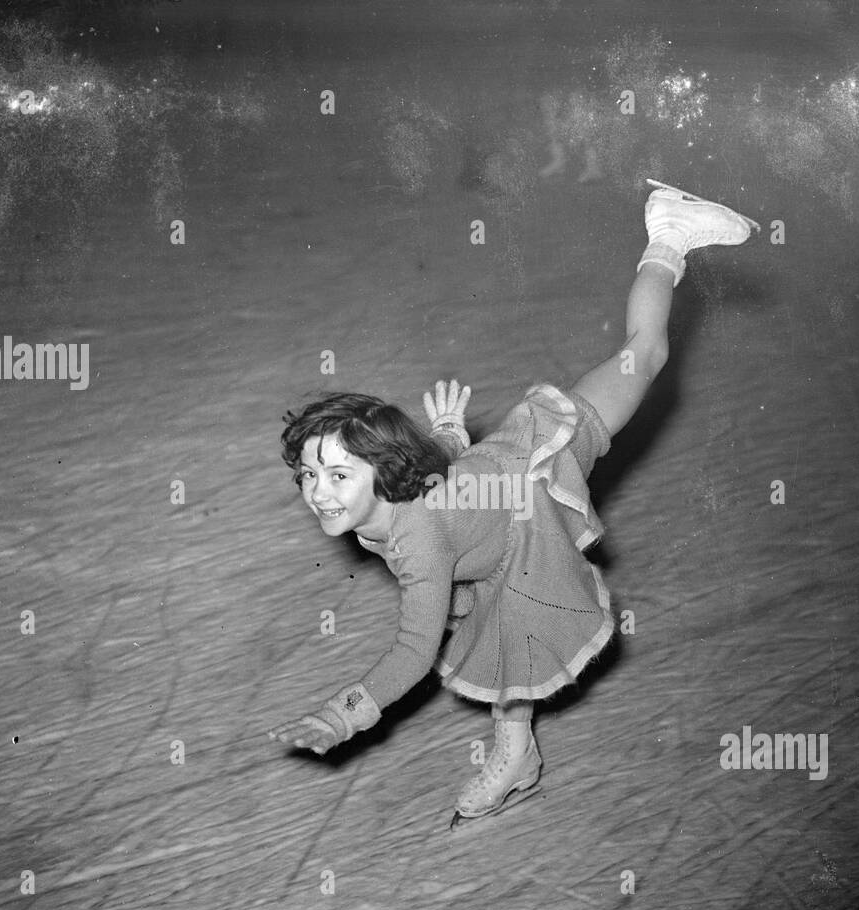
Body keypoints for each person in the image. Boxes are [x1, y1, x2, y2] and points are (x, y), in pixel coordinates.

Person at [270, 182, 759, 822]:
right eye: (309, 475)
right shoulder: (398, 499)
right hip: (499, 522)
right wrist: (447, 435)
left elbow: (415, 649)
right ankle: (518, 752)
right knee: (505, 641)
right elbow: (440, 480)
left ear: (382, 472)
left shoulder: (416, 539)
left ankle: (669, 232)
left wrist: (343, 715)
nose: (319, 494)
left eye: (338, 475)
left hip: (539, 480)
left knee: (645, 352)